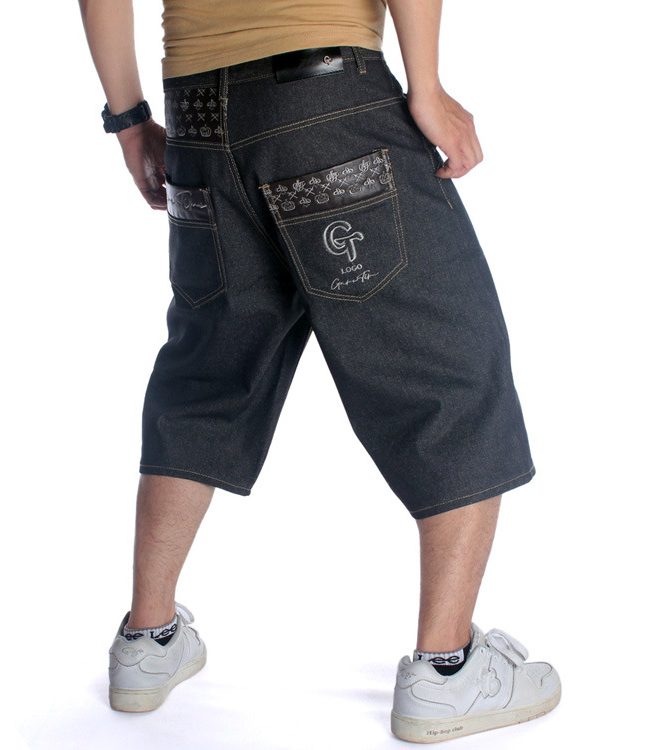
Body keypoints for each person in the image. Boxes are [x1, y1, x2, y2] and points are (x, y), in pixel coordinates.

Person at [78, 0, 560, 742]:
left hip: (200, 125)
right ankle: (447, 671)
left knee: (208, 374)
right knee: (449, 370)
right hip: (327, 103)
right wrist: (427, 87)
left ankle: (147, 641)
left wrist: (130, 121)